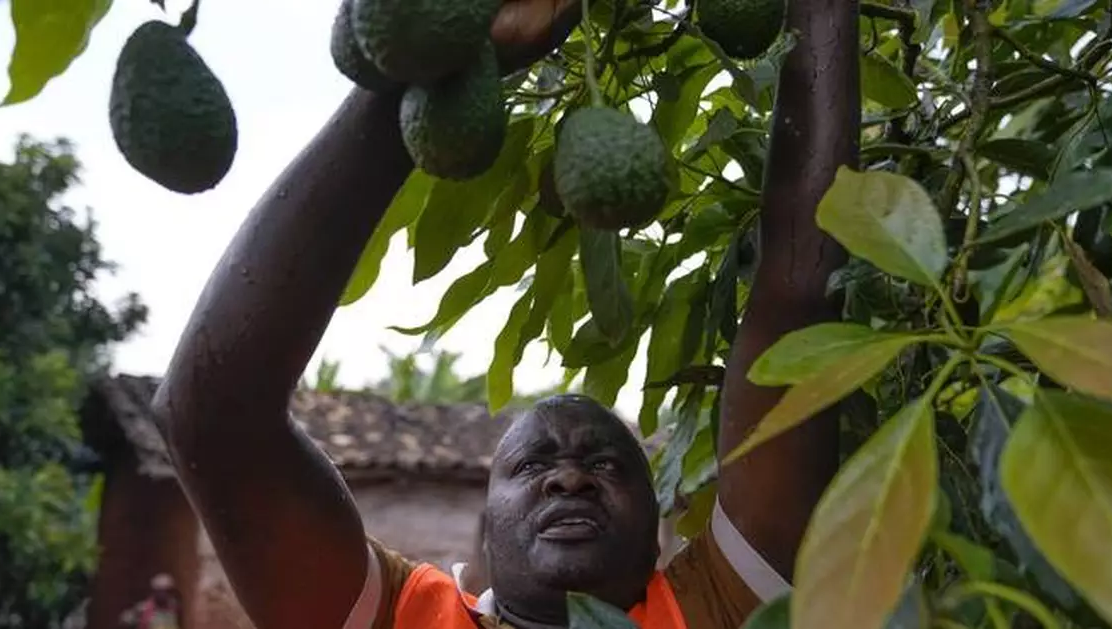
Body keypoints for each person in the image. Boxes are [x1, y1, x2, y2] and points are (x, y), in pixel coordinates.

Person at [151, 1, 839, 627]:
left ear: (661, 523)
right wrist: (427, 65)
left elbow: (800, 291)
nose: (570, 477)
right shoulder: (409, 617)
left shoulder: (718, 606)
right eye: (534, 464)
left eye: (606, 465)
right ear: (483, 528)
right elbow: (213, 415)